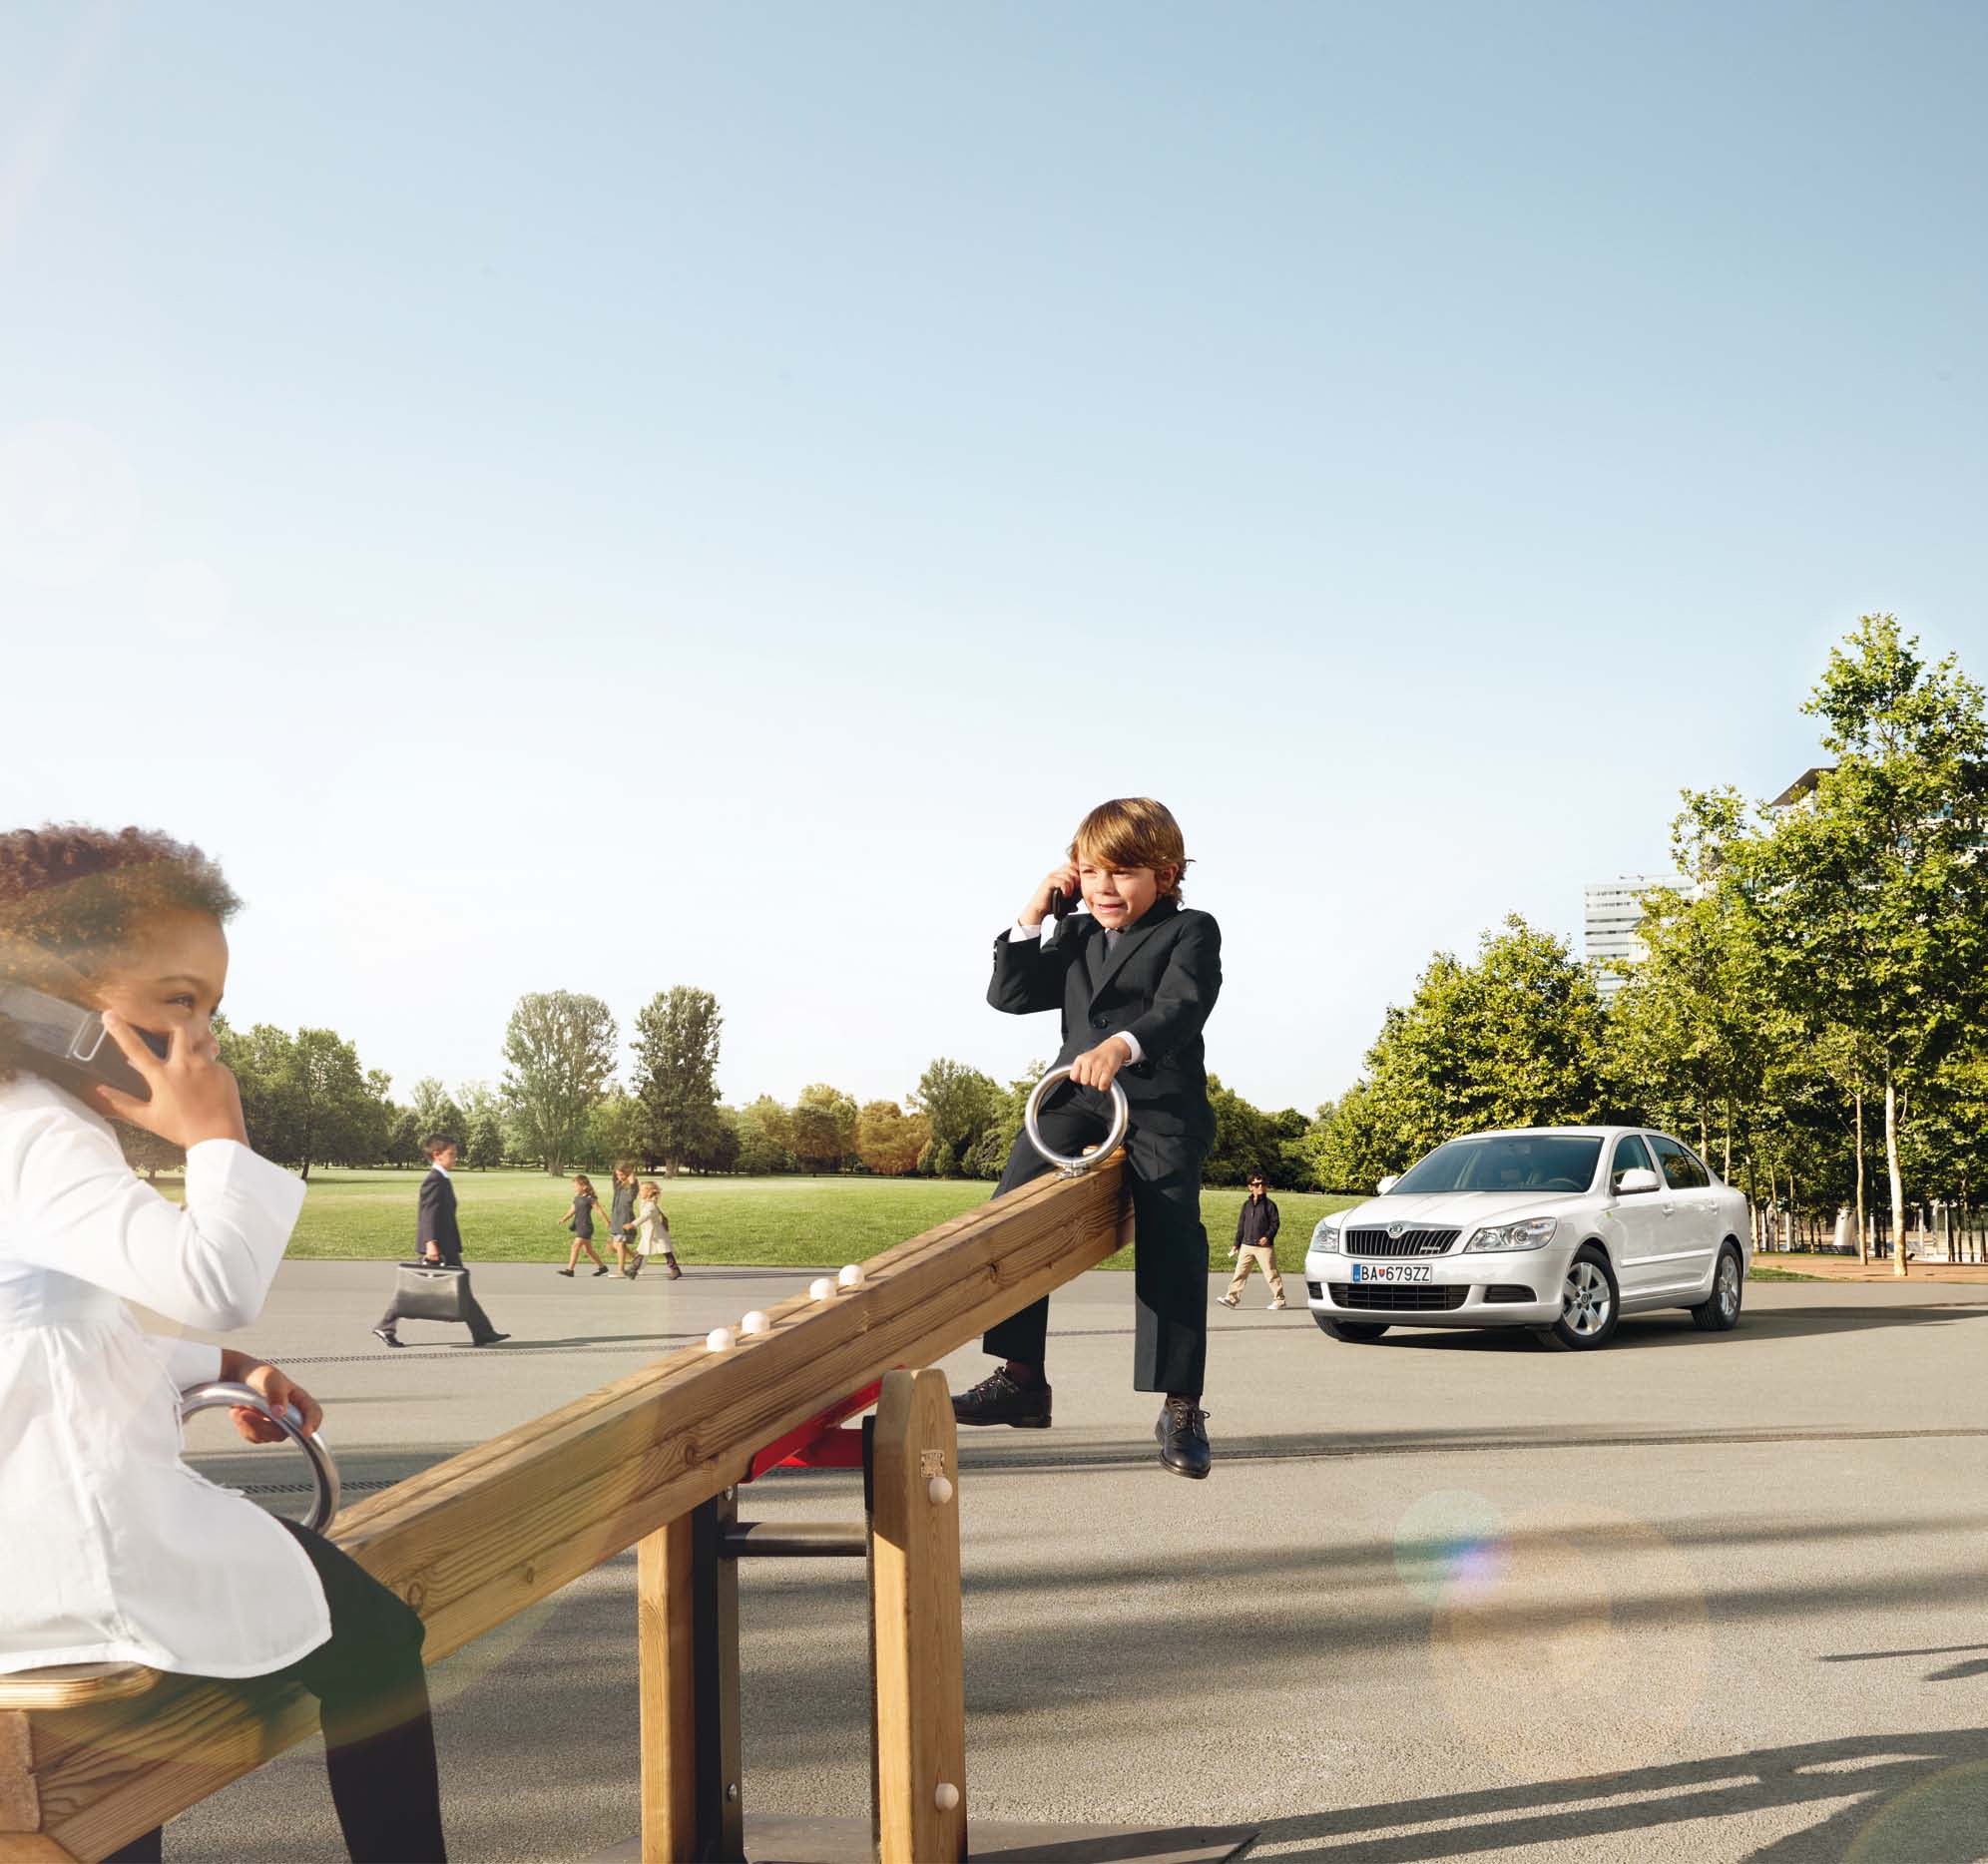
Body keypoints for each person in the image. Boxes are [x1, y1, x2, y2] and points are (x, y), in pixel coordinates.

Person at [0, 823, 447, 1862]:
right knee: (378, 1641)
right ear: (54, 992)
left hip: (31, 1543)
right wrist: (215, 1134)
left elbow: (50, 1341)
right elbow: (214, 1280)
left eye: (211, 1008)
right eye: (176, 999)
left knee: (118, 1786)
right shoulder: (41, 1133)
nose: (201, 1037)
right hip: (76, 1558)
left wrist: (219, 1372)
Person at [953, 797, 1223, 1479]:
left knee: (1172, 1233)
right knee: (1013, 1212)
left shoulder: (1190, 930)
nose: (1105, 888)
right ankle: (1022, 1379)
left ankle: (1181, 1404)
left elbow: (1182, 1006)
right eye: (1092, 871)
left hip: (1155, 1098)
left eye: (1124, 873)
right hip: (1074, 1098)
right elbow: (1009, 996)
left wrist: (1122, 1046)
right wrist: (1032, 913)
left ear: (1164, 874)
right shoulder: (1073, 934)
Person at [371, 1133, 508, 1348]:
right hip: (438, 1247)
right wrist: (430, 1243)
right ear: (437, 1155)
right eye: (451, 1154)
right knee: (414, 1289)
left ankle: (483, 1332)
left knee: (460, 1289)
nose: (455, 1158)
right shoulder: (434, 1180)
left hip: (446, 1245)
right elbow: (428, 1213)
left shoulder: (442, 1178)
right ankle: (385, 1325)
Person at [1219, 1173, 1286, 1309]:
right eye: (1256, 1184)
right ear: (1250, 1187)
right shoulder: (1246, 1205)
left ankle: (1280, 1301)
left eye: (1263, 1184)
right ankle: (1231, 1299)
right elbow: (1241, 1225)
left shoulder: (1270, 1205)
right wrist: (1236, 1244)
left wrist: (1267, 1237)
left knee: (1271, 1274)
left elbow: (1275, 1224)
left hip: (1264, 1247)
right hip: (1246, 1245)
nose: (1260, 1186)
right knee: (1239, 1273)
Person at [557, 1172, 609, 1276]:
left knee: (575, 1246)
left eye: (576, 1186)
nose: (574, 1188)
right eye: (574, 1186)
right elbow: (571, 1211)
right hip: (579, 1226)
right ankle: (602, 1267)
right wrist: (564, 1219)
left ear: (584, 1186)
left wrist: (607, 1221)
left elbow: (599, 1210)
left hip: (586, 1227)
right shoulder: (576, 1198)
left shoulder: (590, 1198)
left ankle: (570, 1270)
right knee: (588, 1250)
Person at [630, 1180, 682, 1279]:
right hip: (649, 1233)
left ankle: (675, 1270)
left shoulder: (650, 1205)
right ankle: (632, 1270)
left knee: (665, 1251)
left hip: (656, 1233)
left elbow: (644, 1217)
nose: (639, 1192)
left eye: (641, 1190)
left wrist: (632, 1224)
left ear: (648, 1192)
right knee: (641, 1251)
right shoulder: (646, 1202)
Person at [606, 1160, 639, 1276]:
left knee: (619, 1244)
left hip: (625, 1219)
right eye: (618, 1174)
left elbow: (631, 1198)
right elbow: (614, 1178)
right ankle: (637, 1257)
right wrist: (616, 1174)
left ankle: (620, 1271)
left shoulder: (632, 1186)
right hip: (616, 1218)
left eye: (622, 1174)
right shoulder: (618, 1184)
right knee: (614, 1246)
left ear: (628, 1173)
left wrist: (632, 1181)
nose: (620, 1177)